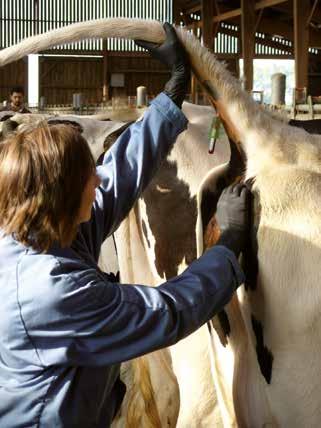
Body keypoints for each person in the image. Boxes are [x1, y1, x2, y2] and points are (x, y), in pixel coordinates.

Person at [0, 24, 250, 427]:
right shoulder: (54, 293)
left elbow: (119, 178)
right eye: (88, 177)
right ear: (61, 196)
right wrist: (227, 247)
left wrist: (172, 94)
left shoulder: (34, 237)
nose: (97, 180)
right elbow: (167, 311)